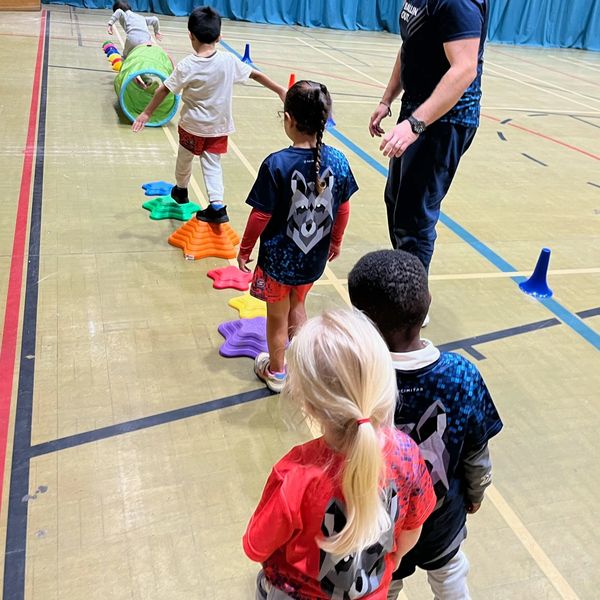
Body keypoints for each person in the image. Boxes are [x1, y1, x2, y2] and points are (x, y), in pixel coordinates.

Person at [243, 309, 437, 599]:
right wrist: (392, 563)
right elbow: (413, 526)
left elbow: (256, 546)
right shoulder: (407, 453)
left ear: (307, 403)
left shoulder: (294, 475)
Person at [348, 249, 503, 600]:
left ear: (362, 320)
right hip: (441, 514)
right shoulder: (462, 375)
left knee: (383, 581)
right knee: (450, 575)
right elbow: (477, 450)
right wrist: (476, 493)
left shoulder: (358, 376)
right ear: (428, 304)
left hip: (381, 520)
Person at [237, 81, 358, 392]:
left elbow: (260, 215)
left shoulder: (276, 163)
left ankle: (277, 372)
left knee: (276, 318)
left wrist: (245, 249)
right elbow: (343, 209)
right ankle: (303, 368)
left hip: (278, 263)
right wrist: (336, 241)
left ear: (289, 119)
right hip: (312, 259)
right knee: (298, 305)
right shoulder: (340, 161)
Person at [132, 6, 286, 224]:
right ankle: (217, 206)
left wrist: (146, 113)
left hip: (192, 127)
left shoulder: (187, 65)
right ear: (220, 36)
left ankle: (181, 190)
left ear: (191, 36)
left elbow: (164, 89)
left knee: (184, 159)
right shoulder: (229, 61)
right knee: (212, 165)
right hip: (218, 127)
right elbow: (255, 75)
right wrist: (280, 89)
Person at [368, 0, 488, 275]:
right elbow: (410, 44)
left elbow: (465, 69)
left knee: (414, 218)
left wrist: (414, 125)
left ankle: (412, 305)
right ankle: (405, 283)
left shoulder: (459, 4)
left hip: (445, 120)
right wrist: (387, 99)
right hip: (416, 110)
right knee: (396, 202)